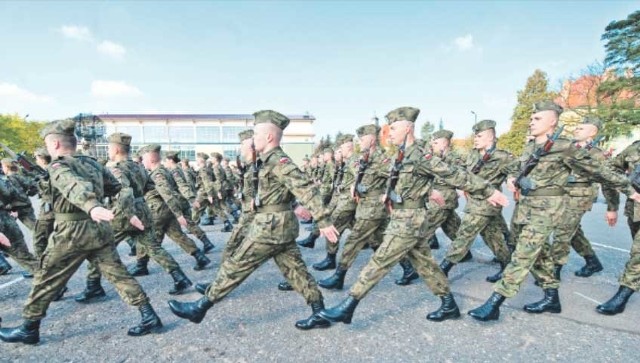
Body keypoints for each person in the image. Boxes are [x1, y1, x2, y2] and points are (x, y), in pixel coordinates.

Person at [319, 107, 508, 324]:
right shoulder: (401, 154)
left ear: (408, 128)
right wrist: (416, 192)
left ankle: (348, 306)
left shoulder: (420, 155)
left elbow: (453, 173)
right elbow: (408, 182)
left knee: (379, 261)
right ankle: (449, 305)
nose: (389, 133)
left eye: (394, 128)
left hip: (409, 220)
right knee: (426, 265)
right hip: (405, 216)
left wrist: (488, 190)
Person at [468, 101, 640, 322]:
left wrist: (629, 190)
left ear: (553, 122)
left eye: (537, 118)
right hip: (525, 209)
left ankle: (494, 303)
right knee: (539, 255)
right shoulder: (531, 147)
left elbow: (601, 171)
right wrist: (513, 179)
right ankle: (552, 298)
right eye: (531, 118)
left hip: (547, 210)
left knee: (523, 254)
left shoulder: (566, 147)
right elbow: (519, 169)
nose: (531, 121)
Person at [168, 110, 339, 330]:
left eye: (256, 134)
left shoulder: (278, 160)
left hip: (270, 226)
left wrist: (323, 220)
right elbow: (281, 192)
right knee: (296, 271)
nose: (252, 140)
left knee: (237, 263)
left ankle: (199, 308)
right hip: (278, 224)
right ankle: (320, 312)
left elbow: (304, 187)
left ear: (268, 137)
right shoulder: (265, 161)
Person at [0, 120, 162, 345]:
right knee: (119, 274)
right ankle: (149, 316)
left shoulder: (58, 167)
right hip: (99, 229)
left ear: (55, 144)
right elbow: (120, 189)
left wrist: (91, 205)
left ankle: (29, 328)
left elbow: (73, 186)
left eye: (47, 145)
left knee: (46, 277)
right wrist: (128, 211)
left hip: (72, 231)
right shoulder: (94, 164)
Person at [75, 134, 193, 303]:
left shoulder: (116, 168)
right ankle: (179, 277)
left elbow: (124, 193)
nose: (108, 151)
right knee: (153, 247)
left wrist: (130, 214)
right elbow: (150, 186)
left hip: (123, 214)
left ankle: (93, 286)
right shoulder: (138, 167)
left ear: (115, 149)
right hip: (142, 209)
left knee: (99, 249)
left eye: (109, 148)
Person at [439, 120, 516, 282]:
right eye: (475, 136)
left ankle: (443, 269)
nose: (475, 139)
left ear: (490, 138)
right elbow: (465, 173)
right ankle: (507, 265)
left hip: (487, 203)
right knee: (492, 237)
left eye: (479, 136)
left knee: (464, 235)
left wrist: (511, 179)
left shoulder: (501, 156)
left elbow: (515, 169)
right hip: (474, 201)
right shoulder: (473, 155)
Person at [315, 124, 390, 291]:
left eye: (362, 139)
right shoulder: (366, 157)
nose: (359, 142)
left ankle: (338, 276)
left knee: (353, 241)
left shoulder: (380, 158)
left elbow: (396, 176)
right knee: (381, 240)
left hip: (373, 208)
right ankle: (409, 268)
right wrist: (355, 185)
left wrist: (388, 193)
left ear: (371, 139)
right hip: (366, 207)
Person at [549, 116, 614, 279]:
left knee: (562, 232)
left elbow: (608, 181)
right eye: (576, 127)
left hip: (580, 196)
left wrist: (612, 207)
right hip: (563, 194)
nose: (576, 129)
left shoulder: (597, 155)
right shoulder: (569, 148)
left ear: (593, 133)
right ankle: (592, 262)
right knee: (573, 231)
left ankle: (553, 271)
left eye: (582, 128)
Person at [132, 145, 211, 273]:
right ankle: (199, 256)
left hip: (158, 210)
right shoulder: (162, 171)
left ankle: (141, 265)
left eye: (144, 159)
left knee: (146, 238)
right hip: (166, 210)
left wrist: (179, 214)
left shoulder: (158, 174)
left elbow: (167, 194)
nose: (142, 162)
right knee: (178, 235)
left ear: (150, 158)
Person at [596, 139, 640, 315]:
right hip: (635, 210)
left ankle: (623, 295)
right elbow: (608, 170)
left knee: (638, 255)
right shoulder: (636, 147)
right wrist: (613, 204)